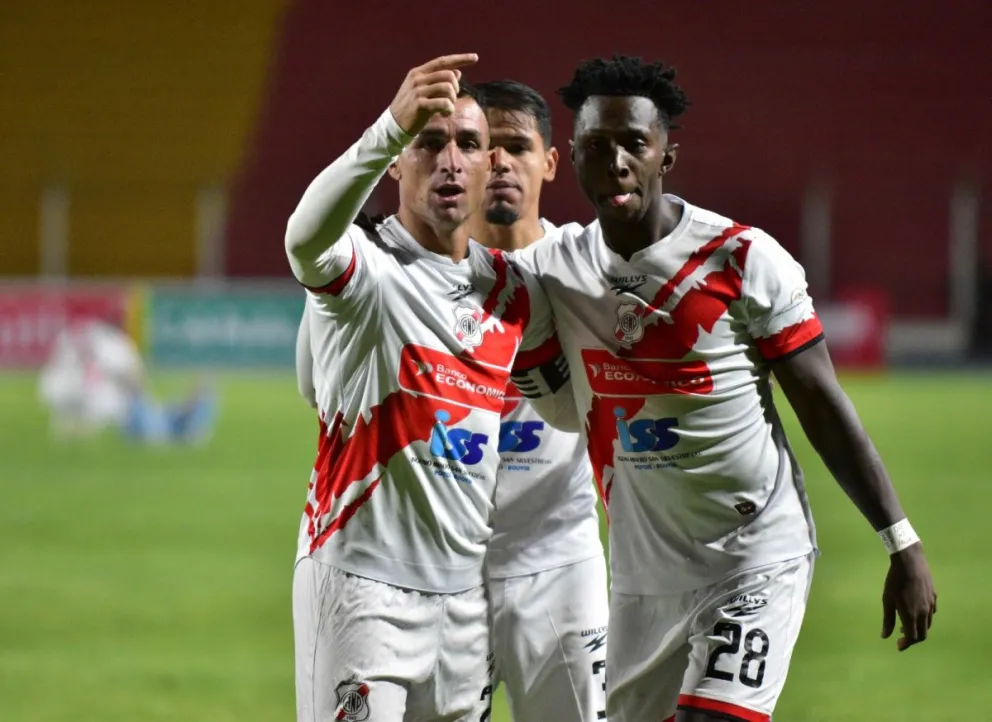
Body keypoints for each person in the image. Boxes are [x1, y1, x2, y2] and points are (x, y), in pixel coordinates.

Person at [512, 55, 938, 722]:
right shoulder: (550, 270)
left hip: (752, 558)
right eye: (598, 146)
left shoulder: (742, 259)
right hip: (641, 579)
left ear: (666, 157)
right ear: (571, 158)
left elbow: (821, 405)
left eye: (635, 144)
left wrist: (900, 541)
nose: (618, 161)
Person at [284, 54, 577, 722]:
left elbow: (562, 404)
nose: (451, 161)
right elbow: (304, 241)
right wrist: (388, 124)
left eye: (468, 145)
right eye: (428, 143)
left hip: (464, 603)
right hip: (362, 587)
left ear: (487, 166)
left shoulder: (509, 291)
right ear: (397, 160)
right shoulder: (367, 267)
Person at [466, 80, 608, 722]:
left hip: (557, 561)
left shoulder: (587, 270)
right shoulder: (417, 272)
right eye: (483, 145)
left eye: (517, 146)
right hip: (439, 567)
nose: (499, 161)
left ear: (551, 162)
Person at [38, 318, 215, 444]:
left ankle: (194, 402)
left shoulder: (95, 340)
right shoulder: (117, 346)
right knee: (160, 417)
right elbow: (134, 381)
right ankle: (194, 403)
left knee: (161, 415)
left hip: (61, 391)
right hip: (127, 411)